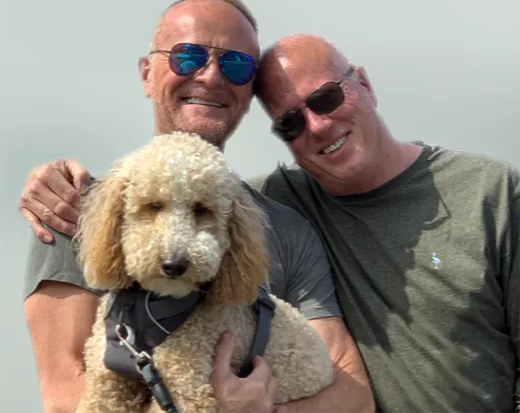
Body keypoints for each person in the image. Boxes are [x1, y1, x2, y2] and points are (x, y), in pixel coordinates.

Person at [21, 30, 519, 412]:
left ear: (363, 83)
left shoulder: (489, 192)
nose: (317, 126)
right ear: (146, 72)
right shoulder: (269, 202)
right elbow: (63, 388)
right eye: (290, 123)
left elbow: (351, 388)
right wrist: (55, 178)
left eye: (325, 98)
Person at [19, 0, 374, 413]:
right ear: (147, 74)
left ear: (249, 95)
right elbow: (64, 399)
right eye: (187, 57)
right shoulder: (70, 206)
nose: (210, 76)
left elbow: (353, 393)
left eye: (236, 65)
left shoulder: (288, 228)